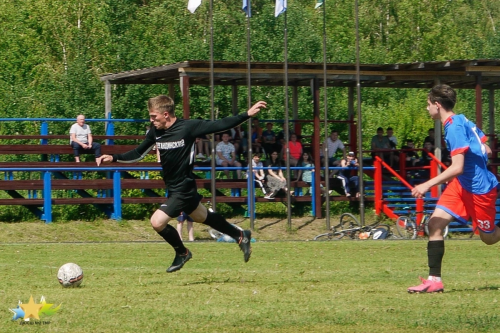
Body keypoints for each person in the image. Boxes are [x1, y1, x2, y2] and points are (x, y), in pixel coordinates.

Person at [97, 95, 267, 272]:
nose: (151, 120)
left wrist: (246, 114)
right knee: (202, 217)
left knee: (157, 222)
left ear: (166, 114)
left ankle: (182, 252)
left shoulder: (188, 127)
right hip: (173, 187)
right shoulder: (156, 132)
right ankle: (240, 235)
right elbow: (138, 153)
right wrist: (114, 157)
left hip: (183, 187)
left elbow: (220, 124)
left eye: (154, 116)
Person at [407, 84, 500, 293]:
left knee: (489, 238)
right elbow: (487, 148)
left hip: (478, 190)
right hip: (461, 185)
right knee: (435, 224)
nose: (427, 108)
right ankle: (434, 281)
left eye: (428, 104)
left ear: (437, 105)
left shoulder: (454, 128)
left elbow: (457, 167)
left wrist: (426, 184)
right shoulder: (462, 120)